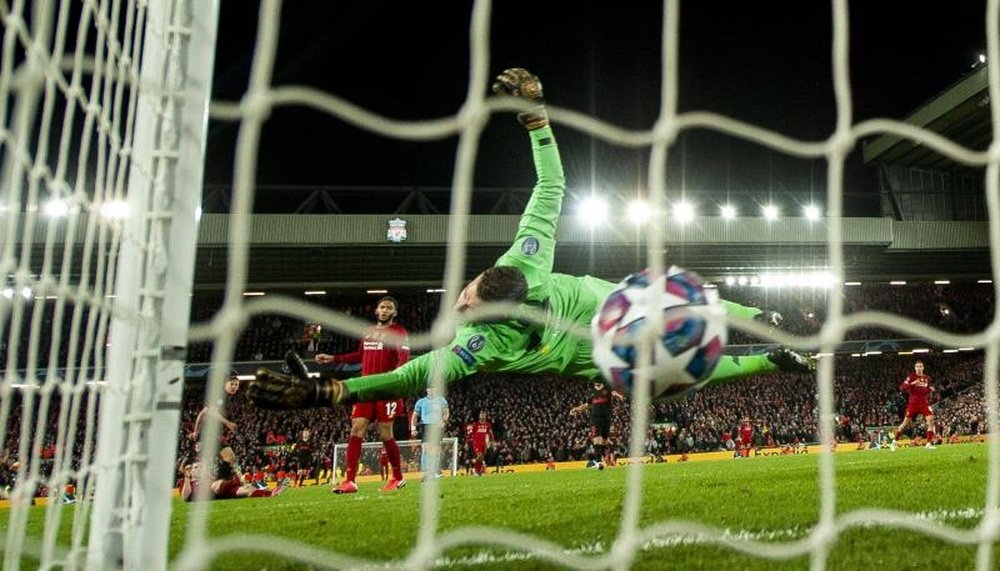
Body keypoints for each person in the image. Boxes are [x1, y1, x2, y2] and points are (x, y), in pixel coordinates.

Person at [248, 68, 815, 418]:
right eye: (468, 292)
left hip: (604, 344)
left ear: (484, 309)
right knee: (672, 341)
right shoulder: (525, 259)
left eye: (467, 299)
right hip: (613, 316)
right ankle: (768, 340)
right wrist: (535, 119)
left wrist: (332, 394)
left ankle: (766, 342)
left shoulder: (483, 344)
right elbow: (552, 185)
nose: (462, 298)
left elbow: (411, 375)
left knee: (665, 375)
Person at [311, 296, 410, 494]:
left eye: (388, 308)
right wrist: (333, 358)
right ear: (376, 310)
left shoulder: (398, 332)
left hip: (386, 388)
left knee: (385, 434)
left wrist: (398, 377)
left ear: (394, 313)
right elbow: (359, 356)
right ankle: (350, 481)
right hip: (365, 388)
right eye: (381, 307)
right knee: (356, 429)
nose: (384, 310)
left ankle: (398, 477)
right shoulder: (368, 332)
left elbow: (403, 356)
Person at [180, 450, 290, 501]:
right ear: (190, 471)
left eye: (200, 467)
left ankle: (272, 493)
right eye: (196, 467)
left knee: (246, 490)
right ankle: (249, 482)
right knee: (216, 485)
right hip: (213, 491)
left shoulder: (208, 477)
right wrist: (186, 477)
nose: (199, 469)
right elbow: (185, 497)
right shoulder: (188, 482)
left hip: (222, 492)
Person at [570, 381, 624, 469]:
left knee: (604, 441)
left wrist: (618, 396)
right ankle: (599, 462)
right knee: (597, 440)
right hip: (595, 419)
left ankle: (602, 459)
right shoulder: (591, 392)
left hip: (606, 419)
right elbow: (587, 405)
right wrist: (576, 409)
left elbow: (614, 393)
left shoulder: (607, 389)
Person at [892, 360, 937, 450]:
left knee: (930, 420)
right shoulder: (911, 377)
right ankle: (894, 441)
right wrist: (912, 383)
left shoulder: (927, 378)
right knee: (905, 424)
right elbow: (902, 388)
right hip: (913, 404)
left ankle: (928, 444)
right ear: (915, 368)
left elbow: (926, 389)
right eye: (917, 366)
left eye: (920, 366)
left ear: (923, 368)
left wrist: (930, 389)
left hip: (924, 403)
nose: (919, 368)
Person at [410, 387, 449, 479]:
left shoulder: (441, 400)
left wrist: (443, 422)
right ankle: (426, 473)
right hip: (426, 426)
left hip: (437, 426)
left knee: (436, 450)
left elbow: (446, 413)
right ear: (426, 390)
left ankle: (436, 472)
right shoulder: (421, 402)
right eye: (429, 388)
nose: (431, 390)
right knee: (426, 449)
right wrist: (413, 428)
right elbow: (415, 416)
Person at [469, 410, 494, 476]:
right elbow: (471, 433)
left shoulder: (488, 424)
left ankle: (478, 471)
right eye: (481, 415)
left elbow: (490, 433)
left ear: (485, 416)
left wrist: (491, 442)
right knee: (479, 455)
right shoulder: (475, 424)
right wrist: (470, 441)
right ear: (479, 416)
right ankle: (475, 469)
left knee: (482, 457)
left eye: (484, 415)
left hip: (483, 443)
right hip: (477, 443)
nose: (483, 416)